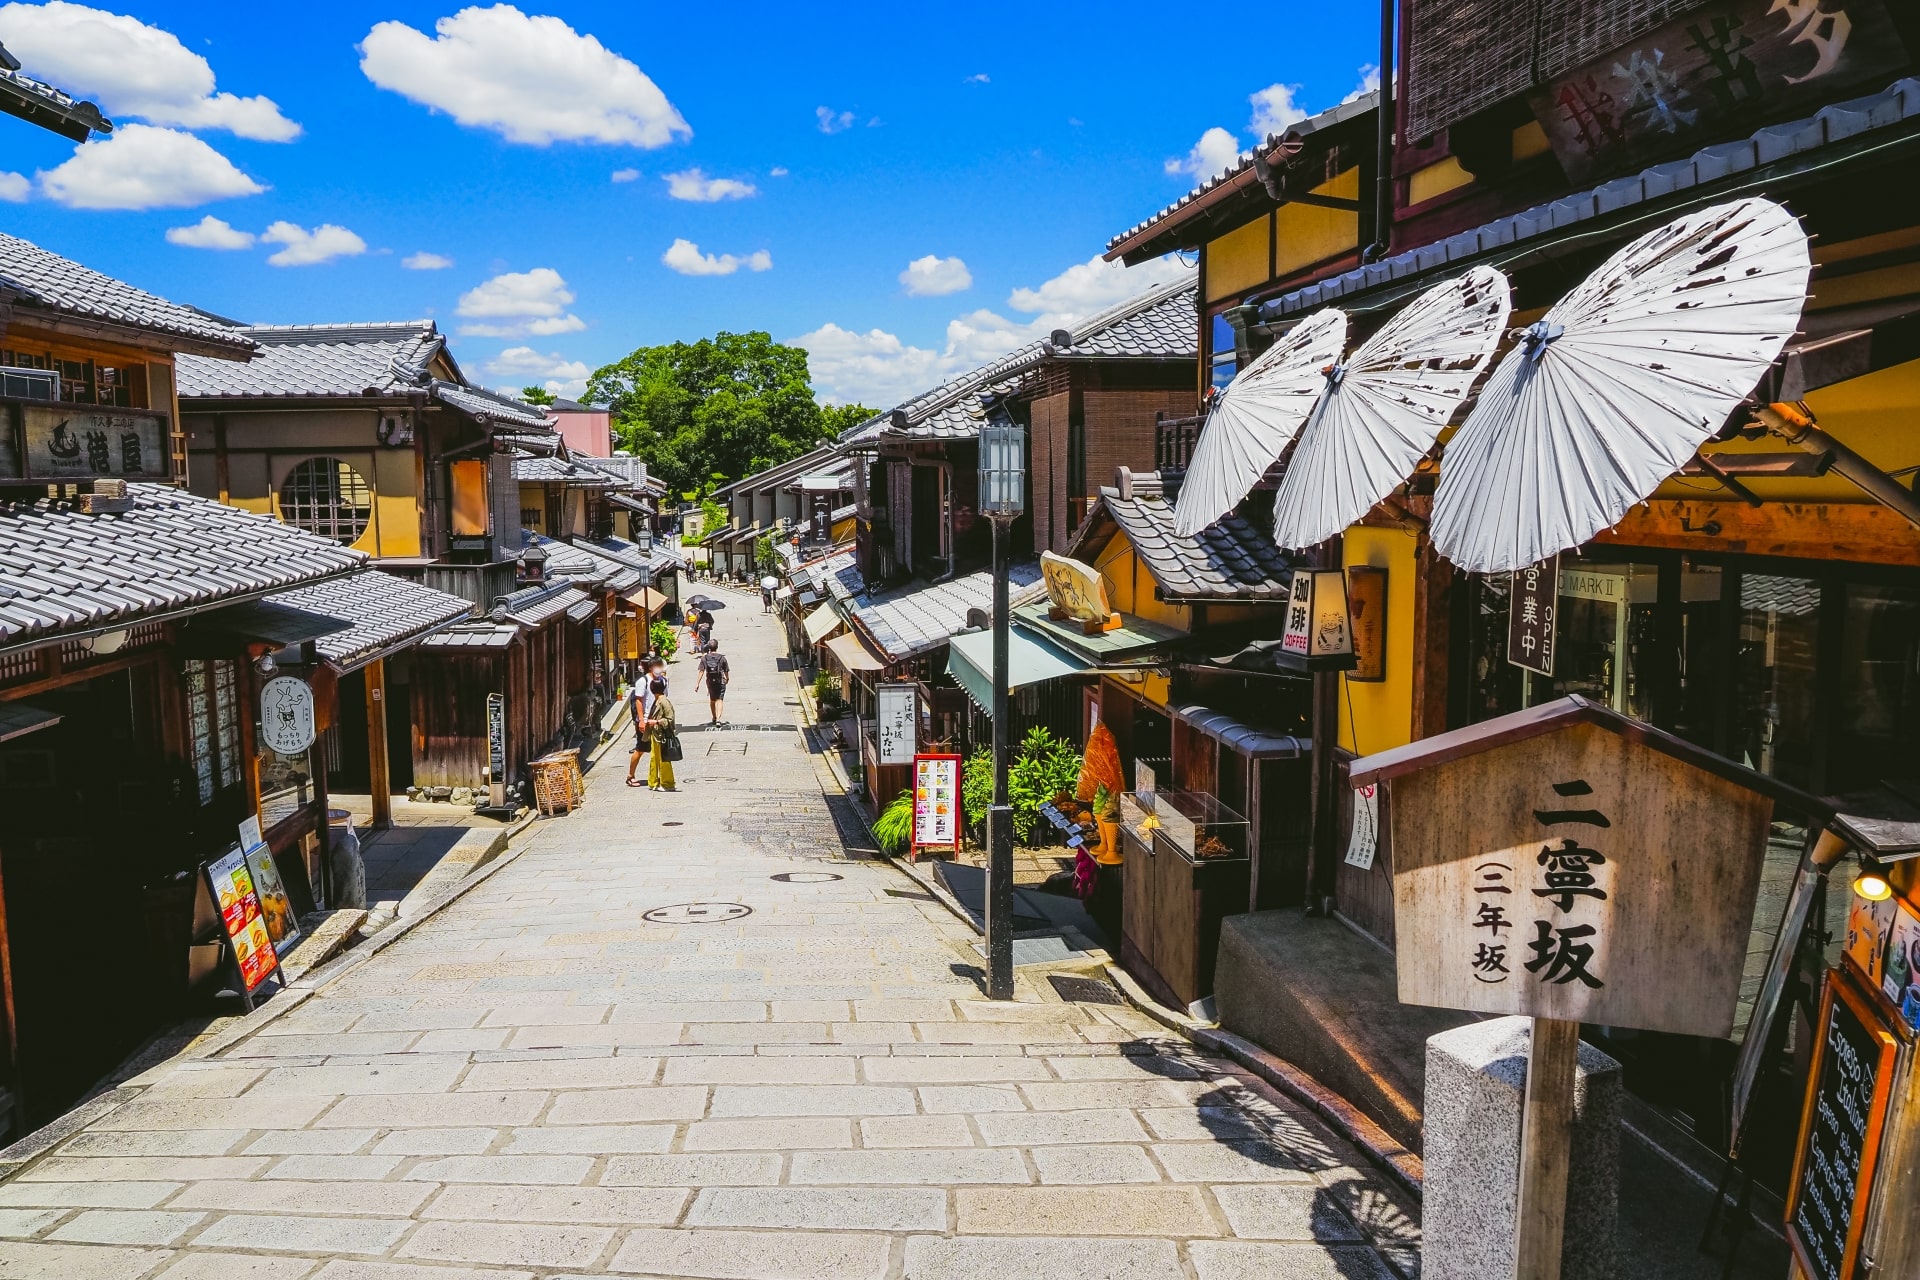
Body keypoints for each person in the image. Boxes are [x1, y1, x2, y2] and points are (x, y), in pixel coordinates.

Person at [625, 653, 658, 787]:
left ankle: (657, 776)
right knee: (640, 748)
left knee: (658, 748)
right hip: (644, 719)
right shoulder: (642, 681)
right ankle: (630, 775)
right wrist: (641, 720)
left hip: (656, 720)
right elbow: (638, 701)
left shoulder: (660, 680)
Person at [645, 675, 677, 791]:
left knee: (664, 759)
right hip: (655, 734)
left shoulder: (664, 701)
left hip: (662, 735)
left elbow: (670, 719)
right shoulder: (657, 700)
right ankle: (653, 782)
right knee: (654, 758)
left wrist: (657, 721)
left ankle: (667, 783)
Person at [699, 641, 731, 725]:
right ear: (717, 647)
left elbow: (701, 671)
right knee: (719, 699)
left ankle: (714, 717)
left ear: (709, 648)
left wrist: (697, 683)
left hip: (710, 681)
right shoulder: (722, 658)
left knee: (712, 700)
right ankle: (718, 719)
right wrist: (727, 678)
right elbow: (726, 670)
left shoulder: (704, 658)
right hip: (720, 680)